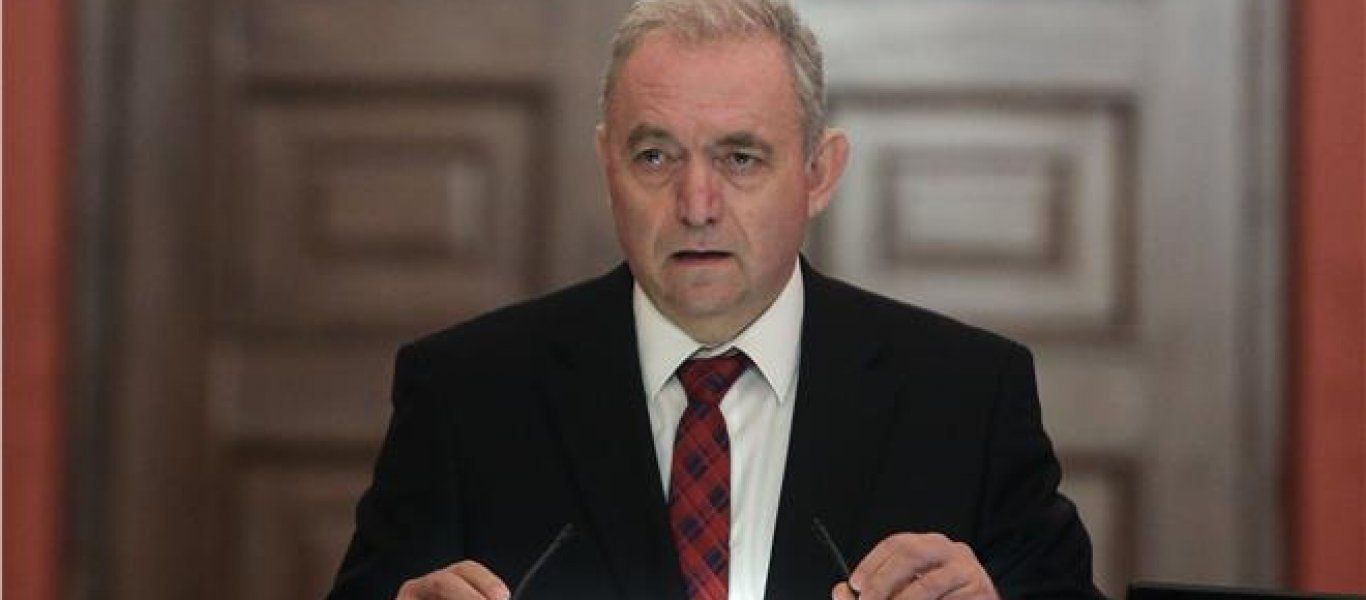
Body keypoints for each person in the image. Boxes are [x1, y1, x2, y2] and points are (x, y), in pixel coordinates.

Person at [326, 1, 1103, 599]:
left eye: (740, 158)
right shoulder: (466, 393)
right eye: (654, 156)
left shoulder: (966, 397)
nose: (696, 205)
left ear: (819, 173)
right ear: (606, 164)